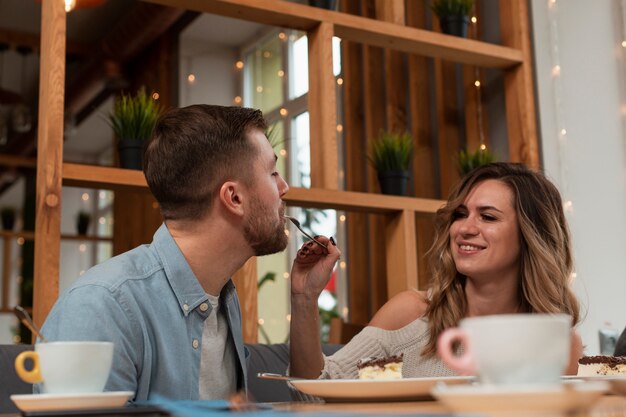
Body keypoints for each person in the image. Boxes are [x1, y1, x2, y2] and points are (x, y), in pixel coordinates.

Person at [40, 104, 338, 401]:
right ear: (234, 197)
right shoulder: (101, 307)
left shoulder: (223, 299)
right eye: (272, 172)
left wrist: (304, 298)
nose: (284, 187)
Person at [289, 162, 583, 379]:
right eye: (460, 214)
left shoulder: (562, 344)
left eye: (488, 217)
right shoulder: (412, 314)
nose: (465, 228)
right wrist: (304, 297)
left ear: (531, 236)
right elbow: (316, 392)